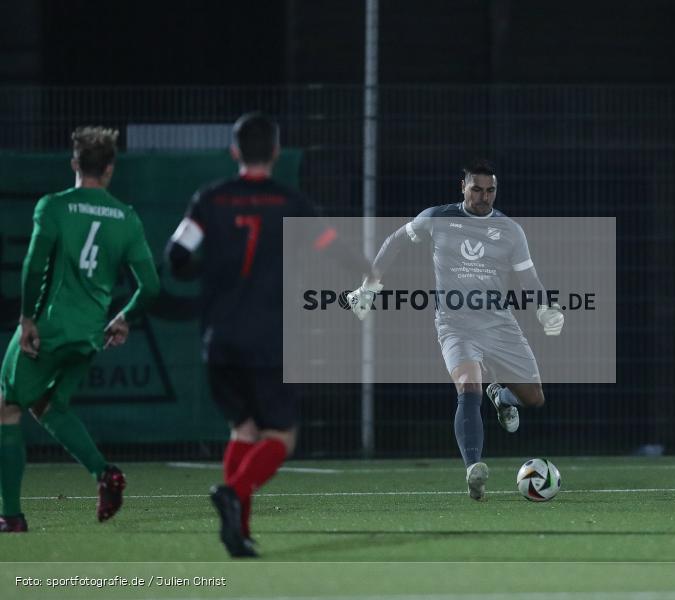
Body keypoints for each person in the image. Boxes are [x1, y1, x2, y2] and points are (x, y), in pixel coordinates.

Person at [166, 111, 375, 558]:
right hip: (267, 339)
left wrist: (212, 272)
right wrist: (367, 271)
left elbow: (176, 256)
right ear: (276, 152)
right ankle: (233, 493)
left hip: (218, 338)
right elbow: (332, 248)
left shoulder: (210, 199)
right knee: (280, 437)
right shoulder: (289, 202)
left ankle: (238, 532)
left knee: (243, 430)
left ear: (235, 151)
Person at [348, 159, 564, 500]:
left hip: (499, 324)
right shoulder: (438, 218)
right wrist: (368, 286)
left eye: (490, 190)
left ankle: (502, 395)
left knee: (534, 398)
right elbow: (395, 241)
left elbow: (528, 278)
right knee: (467, 386)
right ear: (462, 188)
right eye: (476, 189)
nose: (483, 197)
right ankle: (473, 469)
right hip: (455, 324)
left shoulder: (510, 230)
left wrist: (545, 307)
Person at [0, 126, 160, 532]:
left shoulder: (54, 207)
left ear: (74, 164)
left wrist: (27, 319)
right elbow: (151, 286)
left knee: (7, 408)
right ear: (109, 169)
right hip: (89, 336)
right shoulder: (126, 217)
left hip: (50, 329)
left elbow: (34, 266)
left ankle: (11, 517)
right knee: (50, 406)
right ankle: (105, 474)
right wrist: (123, 316)